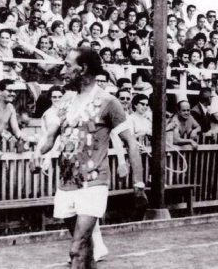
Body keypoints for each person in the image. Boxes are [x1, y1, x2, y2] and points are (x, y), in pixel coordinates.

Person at [33, 48, 145, 268]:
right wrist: (37, 152)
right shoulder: (65, 101)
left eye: (67, 65)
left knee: (76, 248)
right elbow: (49, 137)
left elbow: (131, 142)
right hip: (66, 184)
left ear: (82, 69)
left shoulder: (108, 102)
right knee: (86, 251)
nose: (63, 70)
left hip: (94, 183)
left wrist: (138, 184)